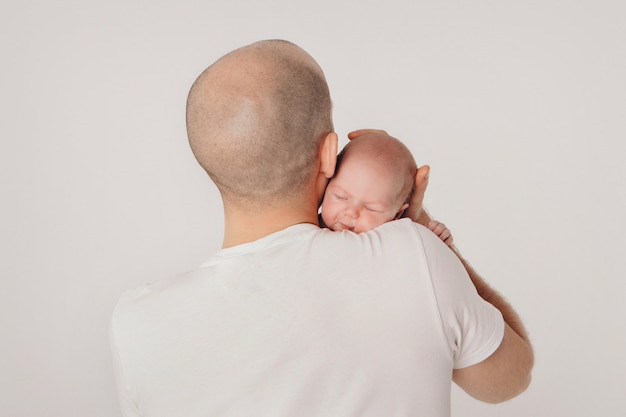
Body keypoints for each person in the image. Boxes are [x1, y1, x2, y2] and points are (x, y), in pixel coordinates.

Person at [110, 39, 533, 417]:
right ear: (329, 154)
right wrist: (419, 223)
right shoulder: (413, 252)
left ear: (208, 161)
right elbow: (510, 378)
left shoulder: (136, 325)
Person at [319, 131, 453, 245]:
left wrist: (430, 237)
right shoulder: (309, 226)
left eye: (370, 208)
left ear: (397, 215)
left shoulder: (393, 238)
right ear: (326, 184)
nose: (351, 213)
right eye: (340, 197)